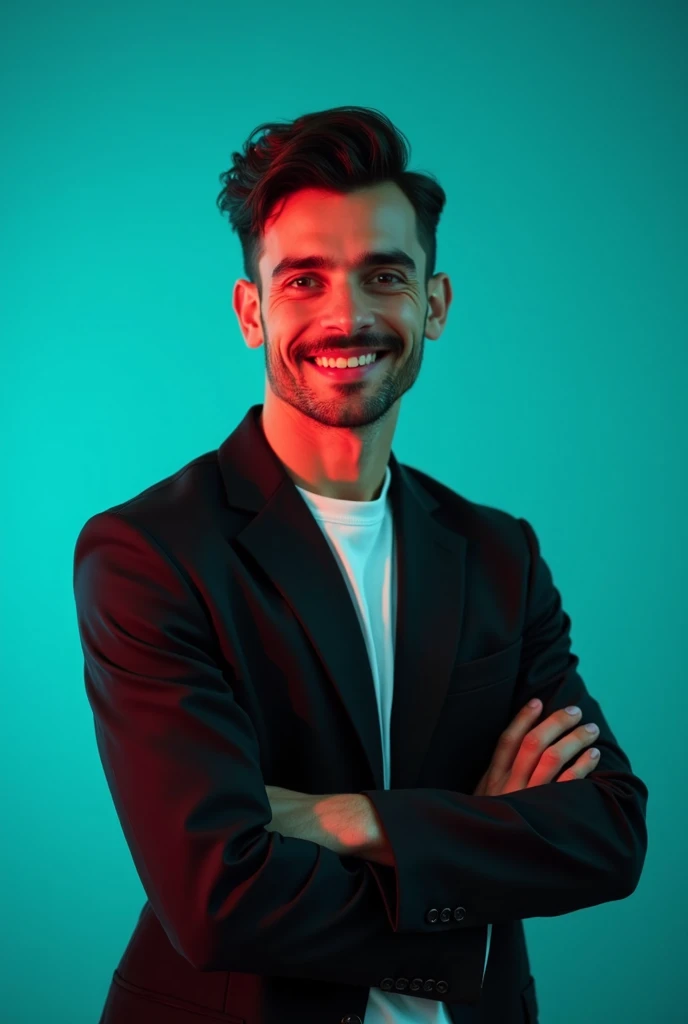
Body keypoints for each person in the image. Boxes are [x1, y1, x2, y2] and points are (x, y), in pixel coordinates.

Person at [73, 105, 648, 1024]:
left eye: (385, 274)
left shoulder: (500, 552)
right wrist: (478, 870)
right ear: (252, 312)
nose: (347, 314)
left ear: (434, 303)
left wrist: (342, 816)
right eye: (305, 279)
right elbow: (217, 898)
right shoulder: (148, 554)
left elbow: (609, 834)